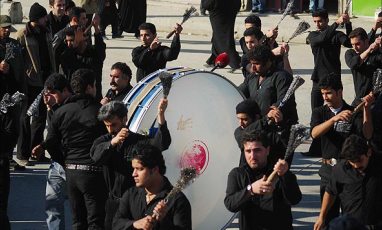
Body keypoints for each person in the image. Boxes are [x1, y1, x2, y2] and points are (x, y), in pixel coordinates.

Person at [90, 99, 171, 229]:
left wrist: (161, 116)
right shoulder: (103, 141)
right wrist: (113, 143)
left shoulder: (137, 141)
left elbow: (161, 143)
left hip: (135, 201)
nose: (110, 130)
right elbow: (96, 157)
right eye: (107, 126)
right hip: (113, 202)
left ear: (124, 120)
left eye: (114, 125)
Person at [43, 68, 107, 229]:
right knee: (95, 220)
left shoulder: (61, 112)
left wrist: (64, 160)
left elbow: (50, 142)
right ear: (90, 87)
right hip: (93, 172)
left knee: (78, 221)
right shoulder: (100, 112)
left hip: (71, 171)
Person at [310, 73, 374, 226]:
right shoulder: (320, 112)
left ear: (340, 92)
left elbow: (367, 134)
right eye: (323, 93)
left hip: (348, 171)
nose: (325, 97)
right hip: (328, 170)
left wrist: (366, 110)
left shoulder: (352, 111)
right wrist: (333, 119)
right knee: (327, 218)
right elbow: (314, 134)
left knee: (350, 218)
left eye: (329, 93)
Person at [224, 131, 301, 230]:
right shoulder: (237, 174)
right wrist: (250, 190)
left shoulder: (279, 172)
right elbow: (230, 204)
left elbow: (295, 199)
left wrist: (285, 176)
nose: (253, 156)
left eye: (257, 150)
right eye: (248, 151)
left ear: (267, 150)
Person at [305, 9, 352, 157]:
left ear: (326, 20)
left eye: (320, 21)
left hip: (333, 81)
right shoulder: (313, 36)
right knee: (317, 113)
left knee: (335, 112)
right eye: (315, 22)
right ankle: (315, 148)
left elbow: (349, 42)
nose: (318, 24)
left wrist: (347, 23)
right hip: (318, 79)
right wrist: (337, 24)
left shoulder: (336, 35)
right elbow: (321, 40)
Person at [112, 144, 192, 230]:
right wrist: (135, 224)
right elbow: (116, 224)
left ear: (154, 170)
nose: (133, 174)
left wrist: (163, 221)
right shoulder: (130, 194)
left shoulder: (178, 201)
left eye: (140, 169)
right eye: (133, 169)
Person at [314, 135, 382, 230]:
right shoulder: (340, 169)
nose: (356, 165)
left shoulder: (379, 164)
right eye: (352, 161)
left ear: (369, 152)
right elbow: (330, 192)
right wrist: (321, 217)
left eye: (359, 160)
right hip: (352, 225)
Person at [31, 73, 72, 230]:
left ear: (65, 91)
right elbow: (53, 133)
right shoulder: (54, 107)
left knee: (78, 209)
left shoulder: (70, 108)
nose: (49, 97)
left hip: (72, 164)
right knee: (52, 207)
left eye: (53, 93)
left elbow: (60, 132)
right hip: (56, 164)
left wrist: (52, 109)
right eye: (47, 94)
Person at [16, 3, 56, 166]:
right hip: (30, 83)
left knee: (40, 118)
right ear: (36, 18)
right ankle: (23, 154)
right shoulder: (23, 34)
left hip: (45, 81)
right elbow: (17, 59)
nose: (46, 19)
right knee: (25, 118)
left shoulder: (46, 32)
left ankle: (36, 152)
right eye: (43, 17)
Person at [238, 45, 298, 150]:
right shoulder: (252, 77)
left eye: (257, 64)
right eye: (252, 63)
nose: (253, 67)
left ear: (269, 62)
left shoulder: (281, 77)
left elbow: (284, 101)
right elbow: (239, 93)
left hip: (277, 132)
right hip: (258, 128)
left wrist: (273, 112)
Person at [0, 15, 23, 229]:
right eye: (3, 28)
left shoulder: (14, 46)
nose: (6, 32)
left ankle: (8, 153)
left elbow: (20, 67)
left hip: (11, 96)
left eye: (8, 28)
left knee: (11, 128)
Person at [58, 19, 106, 100]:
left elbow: (100, 48)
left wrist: (96, 28)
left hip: (94, 98)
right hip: (75, 99)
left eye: (72, 40)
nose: (69, 44)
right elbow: (64, 61)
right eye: (67, 41)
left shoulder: (94, 53)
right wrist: (75, 43)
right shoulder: (69, 55)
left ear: (84, 38)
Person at [234, 99, 286, 166]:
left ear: (256, 117)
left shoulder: (270, 131)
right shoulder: (239, 131)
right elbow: (244, 136)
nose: (240, 123)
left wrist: (280, 124)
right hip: (248, 174)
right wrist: (266, 119)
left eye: (245, 119)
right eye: (239, 119)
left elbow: (284, 147)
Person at [345, 27, 382, 106]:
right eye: (352, 44)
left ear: (366, 41)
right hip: (360, 99)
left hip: (376, 101)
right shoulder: (350, 53)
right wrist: (369, 50)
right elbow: (353, 64)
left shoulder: (376, 55)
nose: (355, 47)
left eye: (358, 44)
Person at [202, 0, 241, 71]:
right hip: (231, 5)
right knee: (219, 34)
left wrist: (205, 5)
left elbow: (208, 4)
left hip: (218, 7)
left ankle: (235, 62)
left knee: (223, 37)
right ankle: (214, 58)